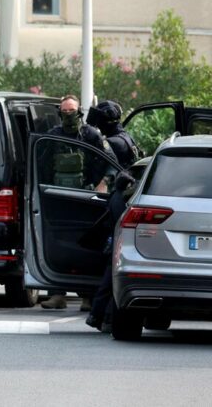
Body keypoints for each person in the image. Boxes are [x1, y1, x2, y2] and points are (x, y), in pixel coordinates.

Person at [41, 94, 117, 311]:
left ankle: (87, 296)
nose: (68, 114)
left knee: (86, 247)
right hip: (58, 199)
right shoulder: (52, 136)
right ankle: (56, 294)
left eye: (71, 110)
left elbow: (112, 163)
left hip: (86, 200)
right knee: (57, 246)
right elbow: (40, 163)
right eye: (64, 111)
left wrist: (103, 184)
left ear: (80, 111)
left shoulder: (91, 135)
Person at [84, 100, 142, 331]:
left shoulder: (112, 144)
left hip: (119, 200)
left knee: (114, 259)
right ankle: (103, 314)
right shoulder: (126, 138)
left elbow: (98, 172)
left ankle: (101, 314)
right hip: (126, 198)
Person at [86, 100, 142, 169]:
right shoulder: (126, 137)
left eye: (99, 122)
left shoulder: (111, 143)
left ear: (103, 122)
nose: (98, 126)